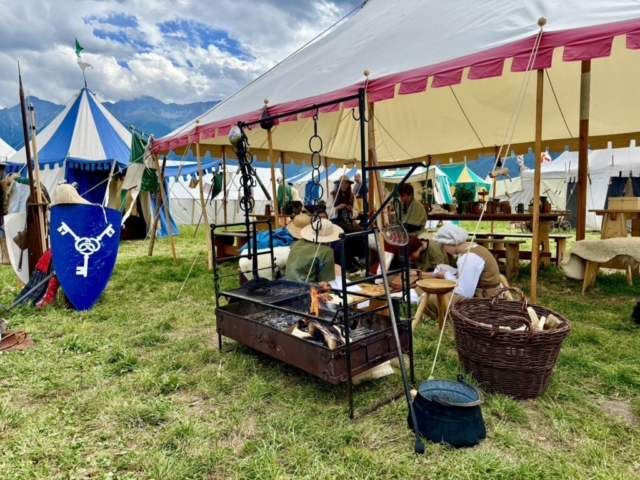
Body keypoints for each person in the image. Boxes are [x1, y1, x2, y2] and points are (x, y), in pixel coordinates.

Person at [424, 224, 502, 320]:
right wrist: (452, 271)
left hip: (483, 302)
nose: (443, 249)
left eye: (443, 245)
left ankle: (450, 317)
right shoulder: (475, 248)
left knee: (429, 298)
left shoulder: (468, 258)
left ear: (451, 243)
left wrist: (446, 275)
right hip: (489, 296)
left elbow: (464, 293)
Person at [285, 218, 343, 283]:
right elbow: (325, 281)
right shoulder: (327, 251)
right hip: (307, 287)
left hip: (287, 283)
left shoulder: (297, 243)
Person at [329, 175, 363, 269]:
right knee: (346, 233)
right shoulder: (333, 195)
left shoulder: (352, 196)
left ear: (348, 185)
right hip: (337, 221)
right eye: (342, 183)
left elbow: (356, 211)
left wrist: (351, 210)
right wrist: (337, 208)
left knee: (360, 231)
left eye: (346, 183)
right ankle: (349, 261)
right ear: (338, 184)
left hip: (349, 221)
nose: (344, 185)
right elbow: (328, 211)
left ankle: (358, 257)